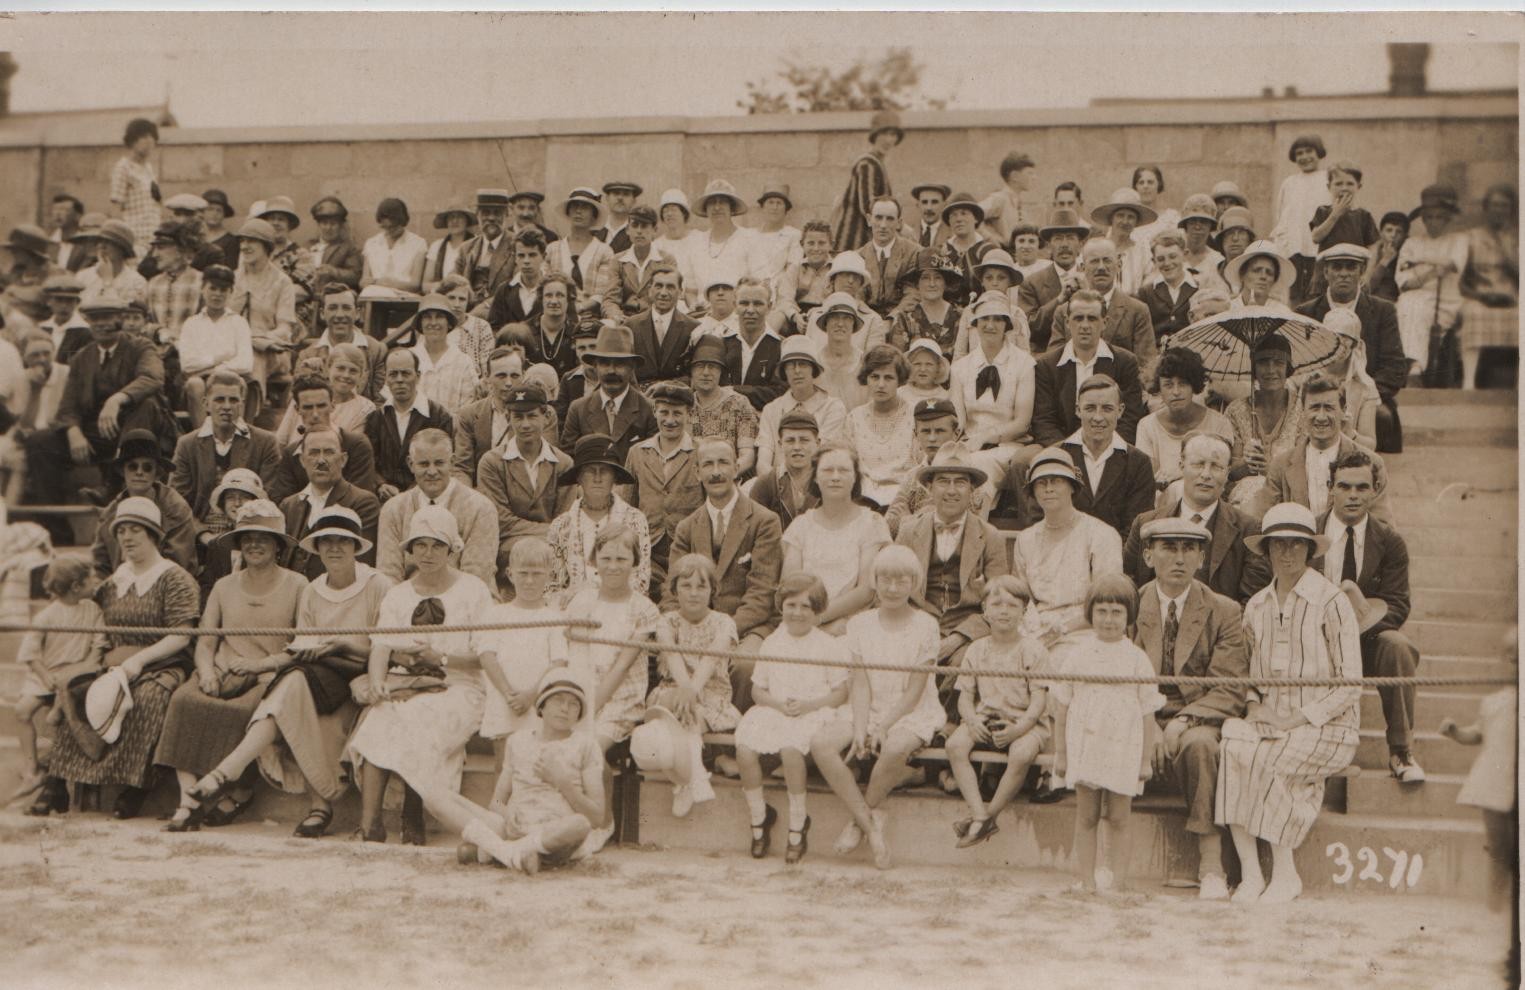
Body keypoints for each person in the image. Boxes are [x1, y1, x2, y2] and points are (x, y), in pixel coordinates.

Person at [187, 505, 390, 838]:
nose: (335, 548)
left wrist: (342, 645)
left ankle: (227, 772)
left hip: (360, 673)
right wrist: (264, 664)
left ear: (356, 547)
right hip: (317, 675)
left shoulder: (378, 585)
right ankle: (307, 804)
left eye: (343, 541)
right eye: (326, 542)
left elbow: (386, 649)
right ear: (318, 548)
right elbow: (297, 651)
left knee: (291, 686)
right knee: (291, 685)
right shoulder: (312, 590)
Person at [1216, 502, 1362, 904]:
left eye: (1297, 545)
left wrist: (1293, 720)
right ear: (1265, 551)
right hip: (1271, 723)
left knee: (1268, 762)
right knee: (1231, 750)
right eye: (1277, 545)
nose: (1287, 553)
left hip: (1327, 727)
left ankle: (1286, 873)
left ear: (1310, 550)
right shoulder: (1257, 607)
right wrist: (1254, 708)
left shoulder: (1330, 601)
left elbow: (1351, 685)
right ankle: (1251, 874)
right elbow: (1247, 676)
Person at [347, 506, 498, 846]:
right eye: (420, 546)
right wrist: (377, 682)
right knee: (380, 716)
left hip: (459, 686)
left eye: (437, 546)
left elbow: (485, 656)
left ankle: (412, 814)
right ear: (410, 550)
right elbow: (381, 648)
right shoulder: (398, 594)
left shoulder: (473, 591)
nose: (428, 554)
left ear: (451, 549)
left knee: (420, 716)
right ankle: (369, 825)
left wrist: (441, 657)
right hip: (407, 683)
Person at [154, 500, 306, 832]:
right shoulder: (223, 586)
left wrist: (260, 665)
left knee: (246, 713)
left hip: (267, 675)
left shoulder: (298, 586)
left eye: (263, 538)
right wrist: (206, 671)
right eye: (247, 537)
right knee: (183, 701)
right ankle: (188, 801)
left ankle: (239, 791)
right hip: (221, 670)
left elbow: (299, 648)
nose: (254, 544)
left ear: (278, 545)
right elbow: (206, 641)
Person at [43, 498, 199, 821]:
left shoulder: (174, 578)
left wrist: (140, 661)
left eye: (136, 530)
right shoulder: (116, 580)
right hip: (115, 663)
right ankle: (56, 783)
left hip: (161, 664)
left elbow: (181, 636)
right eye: (122, 531)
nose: (127, 538)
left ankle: (136, 788)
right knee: (76, 686)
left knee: (148, 698)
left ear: (153, 535)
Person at [1134, 517, 1249, 898]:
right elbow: (1119, 675)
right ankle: (1106, 854)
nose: (1179, 559)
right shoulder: (1131, 604)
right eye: (1169, 548)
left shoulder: (1224, 611)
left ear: (1202, 557)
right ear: (1149, 555)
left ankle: (1211, 862)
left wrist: (1182, 719)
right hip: (1140, 711)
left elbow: (1229, 687)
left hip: (1197, 712)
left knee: (1201, 746)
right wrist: (1149, 721)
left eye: (1189, 549)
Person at [813, 545, 943, 871]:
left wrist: (884, 725)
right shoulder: (860, 624)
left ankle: (858, 822)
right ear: (875, 581)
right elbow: (860, 683)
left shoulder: (926, 625)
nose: (893, 587)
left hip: (908, 710)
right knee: (822, 744)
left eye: (903, 580)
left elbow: (915, 690)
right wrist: (860, 728)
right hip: (866, 707)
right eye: (885, 579)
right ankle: (872, 825)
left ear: (915, 583)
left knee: (895, 745)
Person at [1053, 574, 1164, 892]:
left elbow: (1147, 712)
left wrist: (1144, 761)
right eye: (1101, 611)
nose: (1109, 619)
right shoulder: (1078, 654)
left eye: (1117, 612)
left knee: (1119, 817)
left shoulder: (1137, 658)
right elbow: (1062, 706)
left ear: (1129, 616)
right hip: (1086, 745)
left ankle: (1118, 882)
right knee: (1086, 816)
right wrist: (1061, 754)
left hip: (1122, 749)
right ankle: (1086, 881)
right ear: (1090, 614)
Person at [1317, 448, 1421, 781]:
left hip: (1368, 639)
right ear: (1330, 487)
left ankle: (1401, 751)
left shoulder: (1390, 542)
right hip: (1315, 637)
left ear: (1374, 490)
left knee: (1397, 645)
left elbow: (1398, 604)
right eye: (1344, 486)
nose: (1352, 495)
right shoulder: (1309, 531)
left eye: (1362, 487)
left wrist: (1360, 619)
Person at [734, 572, 850, 863]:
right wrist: (777, 704)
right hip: (776, 710)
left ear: (818, 611)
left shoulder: (827, 645)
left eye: (805, 607)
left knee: (790, 749)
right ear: (781, 606)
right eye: (791, 605)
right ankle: (759, 818)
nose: (797, 613)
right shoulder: (773, 642)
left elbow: (840, 693)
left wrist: (809, 705)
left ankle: (798, 824)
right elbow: (758, 690)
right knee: (745, 749)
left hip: (812, 712)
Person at [29, 291, 175, 505]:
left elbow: (152, 377)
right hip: (96, 433)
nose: (101, 324)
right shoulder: (82, 357)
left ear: (120, 320)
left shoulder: (141, 347)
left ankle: (114, 485)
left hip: (139, 430)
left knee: (146, 405)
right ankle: (55, 526)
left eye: (107, 317)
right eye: (95, 319)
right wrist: (73, 431)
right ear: (88, 323)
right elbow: (68, 406)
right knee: (40, 441)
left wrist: (117, 399)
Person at [455, 671, 606, 873]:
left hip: (556, 832)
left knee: (581, 824)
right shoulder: (517, 741)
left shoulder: (586, 745)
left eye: (574, 704)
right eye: (558, 700)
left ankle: (495, 852)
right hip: (516, 826)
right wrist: (507, 813)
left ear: (579, 713)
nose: (565, 709)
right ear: (541, 706)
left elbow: (596, 817)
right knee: (439, 797)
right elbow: (496, 802)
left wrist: (563, 782)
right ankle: (517, 853)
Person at [632, 553, 742, 818]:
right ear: (674, 589)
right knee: (675, 707)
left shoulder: (724, 622)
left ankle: (684, 782)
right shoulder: (666, 621)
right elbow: (672, 656)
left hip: (710, 696)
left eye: (701, 586)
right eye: (686, 586)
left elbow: (710, 659)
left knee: (683, 716)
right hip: (673, 693)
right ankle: (695, 777)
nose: (693, 593)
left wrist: (691, 691)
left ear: (713, 590)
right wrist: (685, 690)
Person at [943, 576, 1049, 848]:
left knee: (1022, 753)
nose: (1004, 610)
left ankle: (990, 816)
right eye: (997, 604)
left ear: (1024, 612)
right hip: (987, 718)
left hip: (1026, 721)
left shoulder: (1033, 650)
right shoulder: (977, 650)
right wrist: (972, 720)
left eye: (1013, 605)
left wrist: (1019, 729)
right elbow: (965, 696)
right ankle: (979, 812)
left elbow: (1038, 701)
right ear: (984, 610)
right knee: (955, 745)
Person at [1439, 627, 1518, 986]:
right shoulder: (1497, 702)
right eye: (1511, 655)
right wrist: (1455, 732)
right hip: (1495, 784)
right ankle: (1494, 907)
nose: (1516, 662)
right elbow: (1477, 734)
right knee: (1500, 851)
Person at [895, 440, 1009, 670]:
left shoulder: (990, 536)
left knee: (965, 667)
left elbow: (999, 601)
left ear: (972, 490)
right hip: (916, 625)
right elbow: (892, 591)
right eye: (943, 482)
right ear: (930, 487)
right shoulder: (908, 531)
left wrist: (958, 638)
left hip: (967, 633)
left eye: (960, 483)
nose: (951, 491)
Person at [1123, 432, 1269, 606]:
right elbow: (1128, 593)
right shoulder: (1145, 523)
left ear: (1227, 473)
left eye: (1216, 466)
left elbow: (1252, 603)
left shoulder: (1249, 529)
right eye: (1198, 464)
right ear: (1181, 466)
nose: (1206, 475)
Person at [1296, 242, 1407, 452]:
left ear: (1362, 271)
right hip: (1315, 394)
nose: (1344, 274)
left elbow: (1395, 369)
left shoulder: (1383, 311)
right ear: (1326, 272)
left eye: (1351, 267)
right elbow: (1299, 363)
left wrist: (1357, 394)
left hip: (1364, 395)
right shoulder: (1306, 313)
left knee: (1381, 415)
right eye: (1337, 267)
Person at [14, 558, 105, 805]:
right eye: (91, 578)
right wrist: (46, 677)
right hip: (48, 674)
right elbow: (30, 654)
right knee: (22, 710)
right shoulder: (47, 615)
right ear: (76, 586)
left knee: (63, 707)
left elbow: (98, 645)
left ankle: (57, 710)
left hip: (78, 671)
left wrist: (85, 666)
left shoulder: (92, 610)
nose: (96, 582)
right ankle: (32, 769)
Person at [780, 442, 890, 633]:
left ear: (855, 477)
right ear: (815, 477)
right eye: (828, 470)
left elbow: (866, 591)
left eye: (844, 470)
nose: (835, 477)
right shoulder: (801, 526)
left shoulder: (872, 523)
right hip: (802, 620)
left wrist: (821, 619)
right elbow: (790, 585)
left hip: (852, 623)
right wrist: (808, 619)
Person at [1255, 374, 1391, 522]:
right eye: (1314, 408)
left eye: (1329, 408)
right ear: (1303, 411)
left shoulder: (1372, 464)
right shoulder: (1281, 465)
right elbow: (1262, 519)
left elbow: (1382, 526)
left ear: (1343, 411)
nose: (1321, 417)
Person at [376, 428, 497, 589]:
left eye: (439, 463)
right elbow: (388, 575)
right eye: (424, 464)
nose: (432, 472)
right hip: (409, 601)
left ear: (452, 462)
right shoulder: (393, 509)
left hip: (467, 602)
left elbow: (475, 578)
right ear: (411, 464)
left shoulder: (481, 508)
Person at [475, 383, 573, 578]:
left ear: (546, 418)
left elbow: (566, 522)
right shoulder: (492, 463)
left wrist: (553, 536)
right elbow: (500, 522)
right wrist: (548, 532)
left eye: (532, 416)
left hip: (556, 549)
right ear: (507, 418)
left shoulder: (563, 464)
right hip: (509, 550)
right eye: (518, 417)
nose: (525, 424)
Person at [480, 536, 566, 754]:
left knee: (538, 760)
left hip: (538, 703)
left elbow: (559, 662)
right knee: (504, 763)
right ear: (510, 574)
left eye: (537, 574)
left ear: (549, 576)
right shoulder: (496, 614)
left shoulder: (554, 618)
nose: (529, 581)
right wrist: (509, 694)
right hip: (504, 701)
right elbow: (487, 656)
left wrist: (531, 696)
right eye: (523, 573)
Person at [1043, 374, 1154, 539]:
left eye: (1107, 408)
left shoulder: (1139, 463)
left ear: (1120, 411)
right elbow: (1041, 521)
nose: (1098, 417)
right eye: (1090, 408)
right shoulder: (1054, 457)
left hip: (1115, 560)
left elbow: (1136, 529)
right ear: (1077, 410)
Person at [1031, 290, 1147, 448]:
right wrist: (1069, 452)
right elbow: (1044, 421)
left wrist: (1105, 450)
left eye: (1092, 319)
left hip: (1110, 447)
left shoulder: (1125, 362)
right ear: (1066, 322)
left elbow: (1130, 418)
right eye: (1078, 318)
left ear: (1105, 322)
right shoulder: (1047, 365)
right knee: (1022, 461)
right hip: (1061, 448)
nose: (1084, 325)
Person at [949, 291, 1040, 484]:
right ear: (975, 324)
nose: (990, 325)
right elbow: (958, 420)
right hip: (969, 445)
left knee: (979, 465)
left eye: (998, 319)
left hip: (1008, 446)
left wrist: (985, 438)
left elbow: (1022, 423)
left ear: (1006, 325)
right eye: (984, 319)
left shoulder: (1024, 364)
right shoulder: (960, 368)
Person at [548, 434, 651, 597]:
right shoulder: (561, 526)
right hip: (576, 612)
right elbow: (553, 586)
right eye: (590, 471)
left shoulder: (634, 520)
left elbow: (641, 580)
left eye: (604, 471)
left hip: (622, 611)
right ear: (579, 477)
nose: (597, 478)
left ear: (615, 477)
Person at [1042, 238, 1158, 377]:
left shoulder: (1137, 310)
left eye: (1107, 260)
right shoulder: (1064, 311)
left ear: (1119, 265)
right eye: (1094, 261)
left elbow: (1146, 366)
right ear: (1082, 267)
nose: (1101, 267)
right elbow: (1053, 362)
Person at [624, 382, 703, 588]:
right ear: (654, 412)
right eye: (664, 412)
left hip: (690, 546)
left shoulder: (701, 452)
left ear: (689, 415)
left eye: (677, 413)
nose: (669, 420)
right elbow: (628, 505)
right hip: (649, 546)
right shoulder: (637, 452)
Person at [278, 428, 381, 579]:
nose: (321, 460)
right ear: (302, 460)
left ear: (343, 459)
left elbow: (360, 562)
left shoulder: (363, 502)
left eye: (328, 452)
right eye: (313, 453)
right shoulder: (288, 506)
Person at [91, 428, 197, 576]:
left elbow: (178, 565)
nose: (139, 472)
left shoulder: (175, 509)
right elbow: (101, 565)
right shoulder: (110, 514)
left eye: (147, 467)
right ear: (122, 471)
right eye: (132, 466)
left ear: (157, 473)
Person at [1395, 183, 1469, 379]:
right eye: (1428, 217)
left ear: (1447, 218)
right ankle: (1414, 368)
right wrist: (1433, 270)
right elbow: (1404, 283)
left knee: (1416, 305)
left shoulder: (1459, 240)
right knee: (1408, 302)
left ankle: (1415, 366)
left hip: (1447, 299)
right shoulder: (1412, 243)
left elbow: (1452, 265)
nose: (1433, 222)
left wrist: (1420, 264)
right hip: (1416, 298)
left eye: (1439, 217)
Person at [1133, 347, 1234, 488]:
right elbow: (1148, 476)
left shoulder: (1219, 423)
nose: (1176, 392)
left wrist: (1182, 474)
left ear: (1194, 385)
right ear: (1158, 388)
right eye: (1168, 385)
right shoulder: (1147, 426)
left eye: (1183, 383)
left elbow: (1222, 471)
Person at [1223, 334, 1302, 511]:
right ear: (1254, 368)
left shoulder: (1302, 409)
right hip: (1243, 499)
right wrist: (1246, 463)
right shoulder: (1236, 411)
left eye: (1279, 363)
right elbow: (1229, 473)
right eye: (1263, 362)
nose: (1271, 370)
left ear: (1288, 368)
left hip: (1290, 494)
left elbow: (1306, 468)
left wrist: (1271, 469)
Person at [268, 375, 379, 500]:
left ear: (332, 405)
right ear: (297, 409)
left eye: (321, 406)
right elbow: (281, 500)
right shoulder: (292, 453)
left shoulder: (356, 445)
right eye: (308, 407)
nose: (315, 415)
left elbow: (361, 498)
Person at [559, 322, 656, 459]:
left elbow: (653, 461)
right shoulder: (578, 409)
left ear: (632, 368)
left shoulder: (648, 409)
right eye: (604, 364)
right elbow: (569, 458)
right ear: (595, 366)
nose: (611, 371)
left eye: (620, 364)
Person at [228, 219, 298, 406]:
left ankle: (248, 420)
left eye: (252, 241)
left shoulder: (282, 282)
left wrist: (262, 339)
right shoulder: (233, 279)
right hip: (232, 346)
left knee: (253, 357)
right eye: (242, 241)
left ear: (266, 246)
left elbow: (285, 328)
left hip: (271, 352)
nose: (245, 246)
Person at [755, 336, 848, 477]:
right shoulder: (771, 410)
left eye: (803, 364)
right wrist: (777, 487)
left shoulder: (833, 408)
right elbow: (763, 463)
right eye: (791, 365)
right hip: (775, 485)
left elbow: (822, 458)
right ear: (784, 372)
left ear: (813, 370)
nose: (797, 371)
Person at [177, 265, 254, 428]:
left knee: (240, 383)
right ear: (203, 289)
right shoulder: (191, 324)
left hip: (231, 378)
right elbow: (187, 364)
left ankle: (235, 436)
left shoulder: (238, 323)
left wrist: (215, 370)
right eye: (213, 288)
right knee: (194, 384)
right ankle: (203, 437)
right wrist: (218, 358)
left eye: (223, 289)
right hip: (200, 381)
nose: (217, 294)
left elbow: (246, 363)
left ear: (231, 292)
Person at [1459, 183, 1519, 390]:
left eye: (1504, 206)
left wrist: (1505, 249)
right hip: (1480, 295)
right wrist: (1478, 295)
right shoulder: (1472, 237)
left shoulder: (1515, 238)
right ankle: (1469, 382)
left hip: (1509, 295)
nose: (1499, 210)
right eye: (1494, 205)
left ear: (1511, 210)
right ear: (1486, 208)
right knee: (1472, 314)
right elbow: (1462, 275)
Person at [884, 397, 971, 535]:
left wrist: (907, 520)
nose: (932, 438)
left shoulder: (968, 475)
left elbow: (951, 529)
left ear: (956, 433)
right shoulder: (912, 476)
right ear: (915, 434)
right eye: (925, 431)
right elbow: (890, 523)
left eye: (940, 431)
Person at [844, 345, 916, 508]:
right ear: (866, 378)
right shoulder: (854, 418)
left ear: (899, 380)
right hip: (862, 500)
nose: (881, 384)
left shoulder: (914, 416)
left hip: (903, 500)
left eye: (888, 378)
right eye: (875, 377)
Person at [1269, 134, 1331, 304]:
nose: (1304, 157)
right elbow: (1282, 216)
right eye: (1299, 153)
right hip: (1295, 249)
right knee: (1295, 296)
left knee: (1319, 294)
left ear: (1318, 152)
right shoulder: (1289, 183)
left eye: (1309, 151)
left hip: (1319, 248)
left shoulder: (1328, 178)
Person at [452, 346, 526, 483]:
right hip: (481, 493)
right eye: (501, 376)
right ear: (487, 377)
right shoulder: (468, 415)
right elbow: (462, 468)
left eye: (515, 376)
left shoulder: (540, 414)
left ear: (524, 376)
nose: (509, 383)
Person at [831, 110, 901, 253]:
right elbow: (868, 205)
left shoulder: (878, 163)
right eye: (884, 133)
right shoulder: (868, 164)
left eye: (893, 135)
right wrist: (900, 225)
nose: (888, 140)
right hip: (855, 240)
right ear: (875, 135)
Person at [690, 336, 760, 478]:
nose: (706, 372)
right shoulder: (684, 405)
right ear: (691, 371)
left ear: (721, 371)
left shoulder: (739, 403)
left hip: (731, 478)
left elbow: (747, 456)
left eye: (713, 367)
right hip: (692, 480)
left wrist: (722, 474)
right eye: (700, 366)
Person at [1019, 208, 1089, 341]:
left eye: (1070, 238)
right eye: (1058, 239)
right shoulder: (1031, 283)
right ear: (1049, 246)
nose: (1064, 245)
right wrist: (1059, 300)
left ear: (1080, 245)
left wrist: (1088, 292)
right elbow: (1027, 329)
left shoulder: (1090, 279)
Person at [748, 409, 823, 532]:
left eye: (804, 440)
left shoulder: (828, 481)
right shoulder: (767, 483)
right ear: (780, 444)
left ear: (818, 443)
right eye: (790, 441)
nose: (797, 447)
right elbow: (754, 532)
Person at [549, 188, 618, 320]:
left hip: (589, 320)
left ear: (594, 215)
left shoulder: (604, 251)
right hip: (555, 316)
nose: (578, 211)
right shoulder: (552, 249)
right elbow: (545, 285)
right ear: (568, 212)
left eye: (585, 207)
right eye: (574, 206)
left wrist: (578, 309)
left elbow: (602, 292)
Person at [950, 249, 1032, 358]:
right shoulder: (970, 312)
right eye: (989, 278)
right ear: (982, 281)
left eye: (1001, 278)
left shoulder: (1017, 314)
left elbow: (1024, 356)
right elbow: (959, 354)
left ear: (1010, 281)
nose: (994, 283)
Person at [407, 293, 479, 417]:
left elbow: (468, 410)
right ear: (420, 324)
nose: (433, 323)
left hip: (451, 431)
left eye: (439, 317)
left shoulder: (463, 362)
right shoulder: (408, 358)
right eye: (427, 317)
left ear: (449, 323)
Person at [721, 280, 786, 413]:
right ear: (734, 305)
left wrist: (733, 391)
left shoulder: (781, 346)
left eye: (758, 304)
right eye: (744, 303)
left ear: (769, 306)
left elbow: (778, 393)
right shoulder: (720, 341)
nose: (750, 310)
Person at [1321, 310, 1380, 450]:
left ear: (1355, 344)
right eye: (1333, 337)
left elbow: (1370, 444)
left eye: (1345, 337)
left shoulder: (1366, 386)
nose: (1339, 343)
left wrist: (1349, 432)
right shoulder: (1306, 378)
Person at [890, 249, 963, 361]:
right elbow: (898, 362)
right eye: (925, 278)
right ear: (917, 283)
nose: (932, 284)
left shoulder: (960, 316)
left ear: (945, 282)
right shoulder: (905, 318)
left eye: (937, 278)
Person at [628, 264, 695, 387]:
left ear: (680, 292)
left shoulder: (693, 327)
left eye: (670, 287)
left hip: (677, 397)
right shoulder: (631, 325)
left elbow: (694, 374)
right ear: (649, 290)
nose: (663, 293)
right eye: (658, 286)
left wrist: (667, 387)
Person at [854, 197, 920, 318]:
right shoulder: (858, 256)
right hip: (866, 319)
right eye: (878, 218)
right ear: (869, 220)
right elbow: (857, 296)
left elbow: (912, 294)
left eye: (890, 219)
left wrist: (892, 319)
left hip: (902, 319)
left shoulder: (914, 253)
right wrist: (873, 321)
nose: (883, 225)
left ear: (899, 223)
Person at [144, 221, 206, 345]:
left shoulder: (201, 282)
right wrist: (158, 331)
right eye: (154, 249)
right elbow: (142, 323)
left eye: (161, 248)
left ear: (180, 250)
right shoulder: (153, 284)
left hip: (192, 354)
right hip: (157, 356)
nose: (154, 254)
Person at [454, 189, 517, 308]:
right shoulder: (466, 248)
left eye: (497, 213)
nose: (491, 218)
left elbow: (516, 288)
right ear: (477, 216)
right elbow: (453, 285)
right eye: (486, 213)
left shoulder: (516, 245)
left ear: (506, 215)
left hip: (502, 312)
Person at [1091, 187, 1157, 297]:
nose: (1125, 221)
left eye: (1131, 217)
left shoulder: (1143, 251)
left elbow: (1149, 284)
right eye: (1120, 215)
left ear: (1136, 222)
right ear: (1111, 218)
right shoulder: (1096, 248)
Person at [110, 117, 161, 255]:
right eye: (144, 137)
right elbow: (116, 208)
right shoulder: (123, 167)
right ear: (132, 140)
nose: (149, 141)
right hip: (135, 239)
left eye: (152, 137)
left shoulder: (149, 169)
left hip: (153, 237)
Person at [1137, 230, 1198, 344]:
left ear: (1185, 255)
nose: (1167, 263)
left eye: (1173, 257)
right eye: (1160, 259)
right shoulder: (1146, 292)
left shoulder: (1198, 288)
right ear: (1153, 261)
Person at [359, 197, 427, 296]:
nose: (389, 231)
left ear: (403, 222)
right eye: (385, 227)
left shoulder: (418, 243)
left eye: (393, 227)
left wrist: (387, 283)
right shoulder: (371, 243)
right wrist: (367, 283)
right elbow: (363, 281)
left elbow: (416, 285)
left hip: (404, 297)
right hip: (374, 296)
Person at [485, 227, 550, 331]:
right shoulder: (504, 291)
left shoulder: (553, 289)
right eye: (521, 256)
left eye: (532, 255)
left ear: (544, 256)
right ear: (515, 258)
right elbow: (493, 328)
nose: (526, 261)